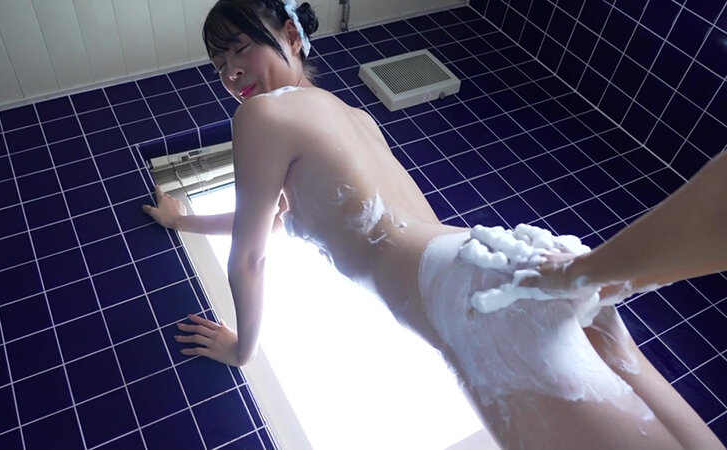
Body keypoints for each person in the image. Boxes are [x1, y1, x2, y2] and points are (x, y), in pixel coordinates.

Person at [141, 1, 725, 448]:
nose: (231, 72)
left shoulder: (260, 115)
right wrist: (183, 219)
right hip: (509, 260)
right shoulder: (355, 119)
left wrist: (243, 349)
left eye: (240, 49)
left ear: (291, 34)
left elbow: (249, 258)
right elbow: (270, 223)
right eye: (218, 65)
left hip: (472, 304)